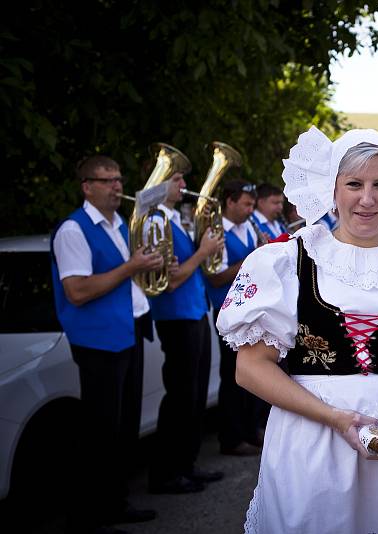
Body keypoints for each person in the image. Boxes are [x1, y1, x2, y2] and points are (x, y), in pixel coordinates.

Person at [216, 127, 378, 533]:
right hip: (313, 437)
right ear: (331, 188)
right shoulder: (287, 262)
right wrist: (336, 417)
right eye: (354, 184)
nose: (367, 198)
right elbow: (250, 369)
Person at [51, 155, 161, 533]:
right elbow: (77, 290)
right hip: (97, 341)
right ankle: (87, 516)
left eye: (119, 179)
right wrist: (131, 267)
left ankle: (114, 504)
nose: (118, 186)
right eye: (107, 180)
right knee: (99, 432)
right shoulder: (73, 230)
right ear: (87, 186)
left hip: (126, 333)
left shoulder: (117, 225)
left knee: (123, 427)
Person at [146, 171, 226, 494]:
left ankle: (186, 466)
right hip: (175, 316)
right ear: (158, 181)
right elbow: (171, 279)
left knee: (194, 396)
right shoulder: (153, 221)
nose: (183, 185)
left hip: (195, 311)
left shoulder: (175, 218)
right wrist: (204, 251)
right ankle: (166, 473)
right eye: (175, 179)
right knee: (180, 396)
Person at [205, 179, 265, 456]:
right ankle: (231, 437)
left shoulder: (248, 227)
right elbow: (216, 278)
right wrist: (252, 258)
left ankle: (250, 430)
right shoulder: (216, 232)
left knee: (254, 373)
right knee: (232, 376)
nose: (251, 210)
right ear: (229, 202)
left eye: (253, 204)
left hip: (251, 308)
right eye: (246, 204)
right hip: (227, 311)